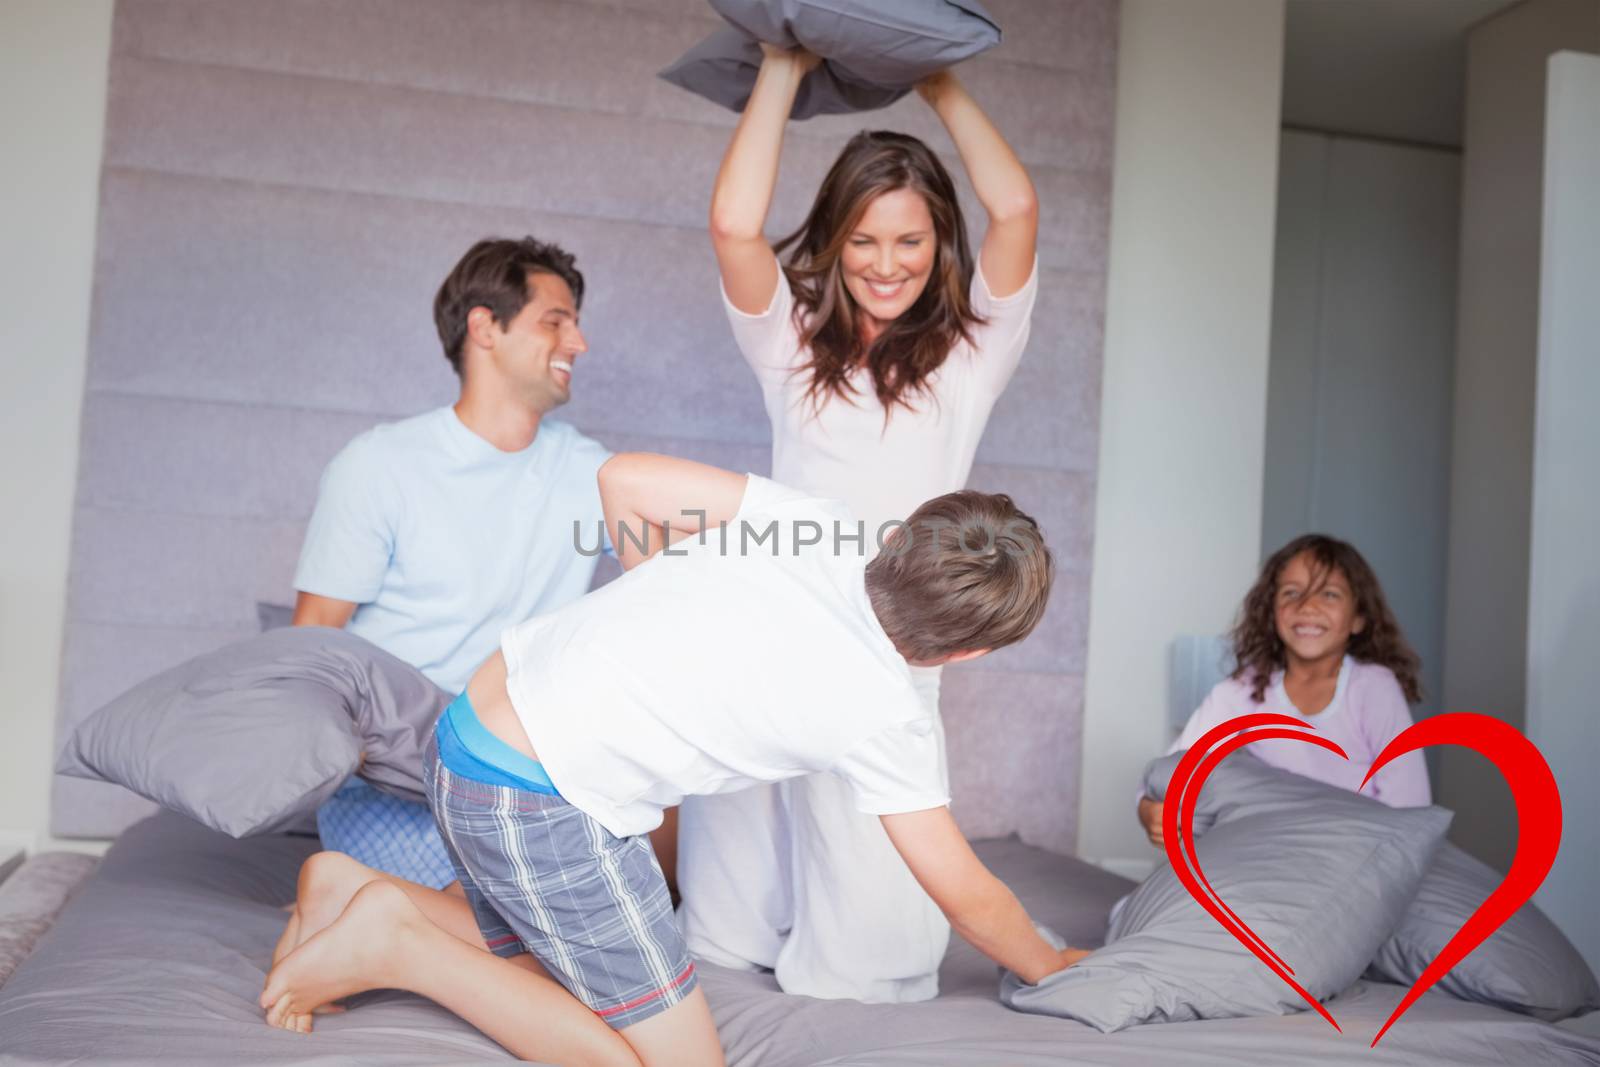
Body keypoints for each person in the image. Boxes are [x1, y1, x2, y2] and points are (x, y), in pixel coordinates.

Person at [261, 452, 1088, 1067]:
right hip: (534, 798)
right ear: (968, 654)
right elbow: (966, 895)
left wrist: (662, 609)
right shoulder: (885, 712)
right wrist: (1050, 964)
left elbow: (623, 479)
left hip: (470, 728)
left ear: (902, 534)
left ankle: (347, 889)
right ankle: (393, 940)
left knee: (556, 961)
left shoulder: (821, 520)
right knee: (670, 1065)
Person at [679, 44, 1041, 1002]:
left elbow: (1017, 211)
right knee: (732, 912)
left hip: (893, 640)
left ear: (940, 244)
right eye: (865, 241)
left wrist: (937, 81)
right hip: (776, 619)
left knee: (877, 948)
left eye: (910, 242)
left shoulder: (973, 356)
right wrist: (783, 68)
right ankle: (739, 947)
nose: (887, 265)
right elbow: (732, 224)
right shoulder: (793, 343)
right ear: (836, 241)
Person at [289, 237, 612, 883]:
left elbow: (685, 566)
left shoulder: (592, 472)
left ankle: (359, 919)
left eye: (575, 323)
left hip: (523, 774)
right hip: (395, 777)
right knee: (509, 941)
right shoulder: (380, 465)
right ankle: (356, 909)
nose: (578, 343)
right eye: (556, 320)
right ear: (484, 326)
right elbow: (311, 646)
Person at [1137, 535, 1432, 847]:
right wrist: (1149, 811)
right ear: (1271, 610)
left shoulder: (1374, 688)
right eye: (1292, 593)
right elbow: (1170, 771)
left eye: (1329, 594)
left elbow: (1409, 806)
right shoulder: (1243, 692)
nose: (1307, 606)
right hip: (1269, 854)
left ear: (1358, 618)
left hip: (1353, 854)